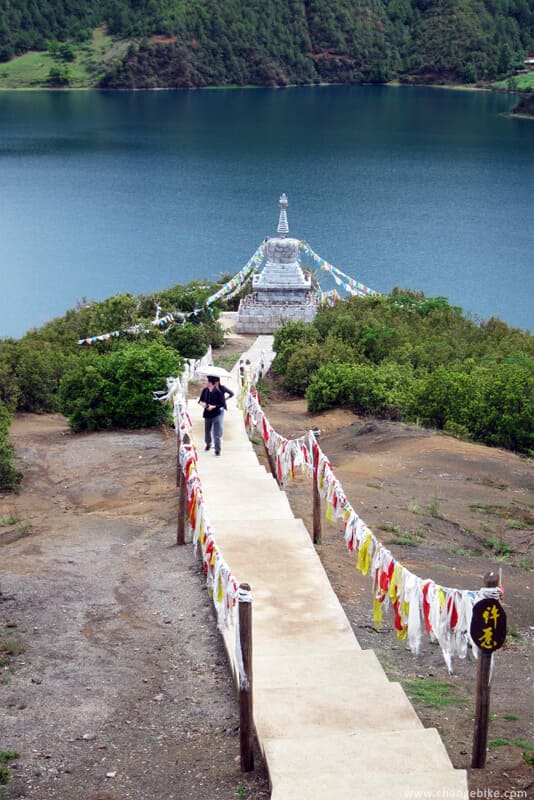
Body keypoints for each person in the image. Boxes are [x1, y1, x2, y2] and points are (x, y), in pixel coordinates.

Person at [198, 376, 225, 456]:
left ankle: (217, 450)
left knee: (216, 433)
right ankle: (208, 444)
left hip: (216, 415)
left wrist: (213, 406)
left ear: (210, 382)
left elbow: (222, 404)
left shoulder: (219, 392)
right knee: (207, 431)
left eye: (205, 380)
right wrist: (202, 404)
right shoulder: (205, 390)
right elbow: (200, 401)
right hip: (207, 414)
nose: (204, 382)